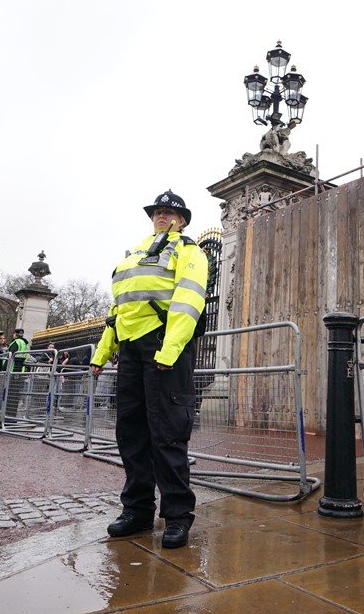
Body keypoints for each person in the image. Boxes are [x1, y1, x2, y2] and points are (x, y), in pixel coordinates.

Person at [89, 190, 209, 549]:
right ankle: (137, 511)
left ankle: (177, 516)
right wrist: (101, 353)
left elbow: (188, 301)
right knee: (132, 433)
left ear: (182, 219)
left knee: (167, 434)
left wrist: (170, 349)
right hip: (130, 348)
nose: (162, 215)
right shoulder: (135, 254)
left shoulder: (189, 251)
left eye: (170, 212)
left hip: (162, 345)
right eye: (158, 211)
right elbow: (120, 309)